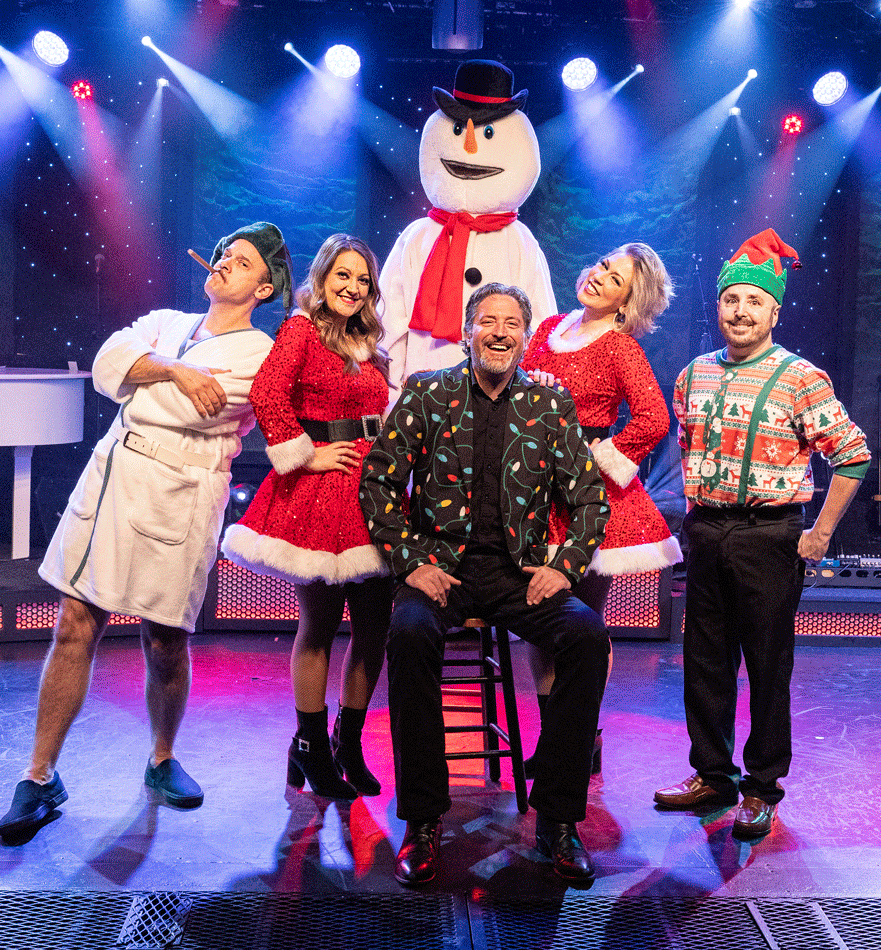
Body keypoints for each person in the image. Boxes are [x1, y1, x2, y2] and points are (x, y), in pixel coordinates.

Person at [0, 221, 290, 840]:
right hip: (115, 478)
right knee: (75, 621)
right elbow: (108, 365)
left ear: (263, 289)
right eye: (221, 252)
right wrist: (176, 372)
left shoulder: (259, 356)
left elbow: (177, 409)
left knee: (163, 639)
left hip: (182, 494)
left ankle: (162, 758)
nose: (222, 263)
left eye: (239, 262)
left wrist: (145, 380)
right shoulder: (166, 321)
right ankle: (39, 776)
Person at [360, 282, 612, 885]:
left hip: (518, 574)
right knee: (410, 635)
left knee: (585, 637)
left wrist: (563, 566)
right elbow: (379, 485)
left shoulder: (550, 405)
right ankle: (421, 821)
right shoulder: (429, 393)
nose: (500, 332)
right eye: (488, 321)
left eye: (512, 323)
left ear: (526, 336)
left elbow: (589, 499)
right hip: (440, 568)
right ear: (469, 331)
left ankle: (556, 817)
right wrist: (413, 561)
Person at [654, 228, 870, 838]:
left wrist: (821, 533)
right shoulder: (693, 376)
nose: (740, 311)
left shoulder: (802, 377)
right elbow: (693, 454)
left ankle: (762, 787)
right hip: (709, 530)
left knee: (768, 665)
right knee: (704, 660)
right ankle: (712, 775)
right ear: (718, 306)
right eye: (731, 300)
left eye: (754, 301)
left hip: (770, 534)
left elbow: (851, 455)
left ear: (774, 311)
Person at [222, 234, 392, 800]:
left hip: (372, 491)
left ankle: (348, 742)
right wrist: (307, 453)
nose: (352, 287)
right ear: (321, 279)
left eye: (362, 279)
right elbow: (268, 394)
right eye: (342, 276)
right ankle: (310, 746)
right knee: (319, 623)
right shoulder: (300, 328)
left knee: (374, 628)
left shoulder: (368, 340)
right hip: (319, 491)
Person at [520, 244, 682, 775]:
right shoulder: (546, 328)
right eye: (601, 265)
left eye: (614, 279)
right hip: (533, 486)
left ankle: (582, 733)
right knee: (543, 621)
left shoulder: (619, 347)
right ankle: (553, 736)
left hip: (589, 496)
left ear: (627, 302)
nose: (598, 276)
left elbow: (654, 419)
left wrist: (600, 458)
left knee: (585, 625)